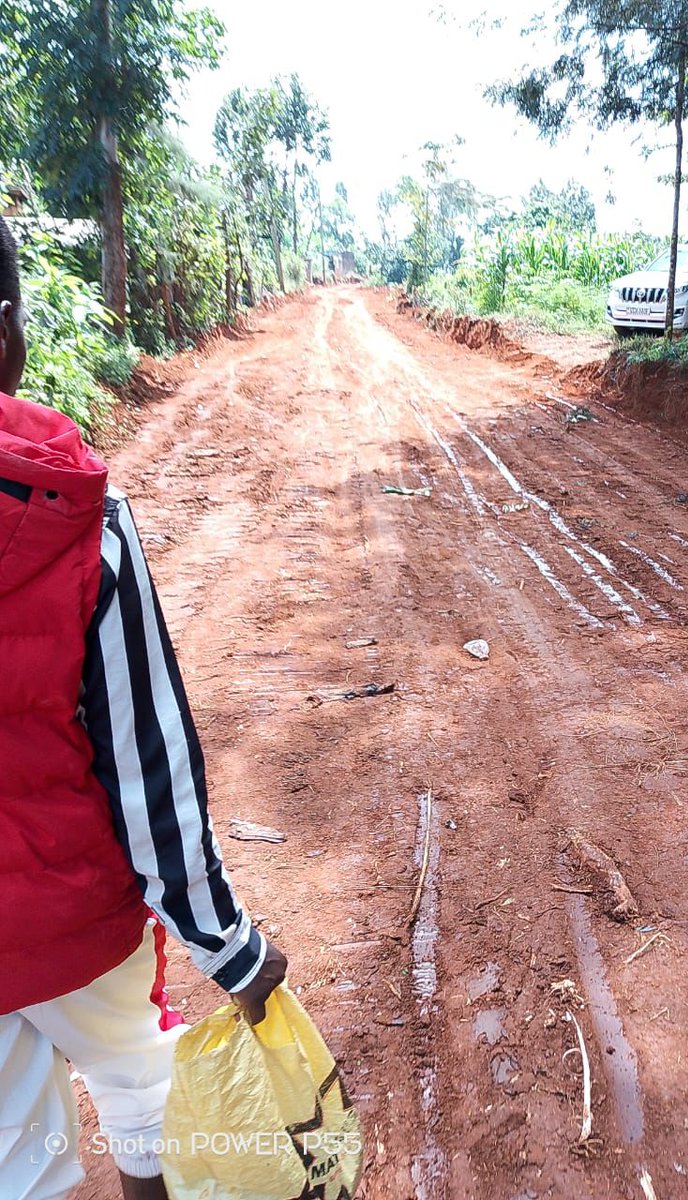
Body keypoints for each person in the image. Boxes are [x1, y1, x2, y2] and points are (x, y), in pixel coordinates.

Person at [0, 215, 288, 1200]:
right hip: (77, 919)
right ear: (5, 334)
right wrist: (230, 946)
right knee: (143, 1095)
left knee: (14, 1171)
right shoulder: (83, 524)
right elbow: (147, 768)